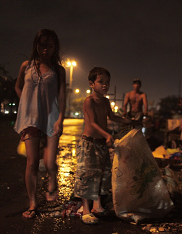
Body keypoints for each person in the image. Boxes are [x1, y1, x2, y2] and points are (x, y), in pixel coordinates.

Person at [14, 29, 66, 219]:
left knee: (50, 160)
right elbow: (18, 86)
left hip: (52, 116)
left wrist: (61, 118)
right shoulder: (26, 66)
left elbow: (62, 95)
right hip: (30, 119)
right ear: (36, 45)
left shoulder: (59, 70)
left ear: (55, 47)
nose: (45, 49)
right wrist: (25, 103)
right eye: (42, 45)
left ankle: (53, 178)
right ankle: (33, 203)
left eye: (50, 46)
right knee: (32, 162)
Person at [74, 67, 134, 225]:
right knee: (88, 176)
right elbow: (92, 123)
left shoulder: (106, 101)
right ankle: (86, 210)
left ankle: (97, 206)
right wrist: (108, 135)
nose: (105, 85)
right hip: (89, 143)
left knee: (104, 175)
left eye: (107, 82)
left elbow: (112, 116)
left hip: (101, 145)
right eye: (101, 82)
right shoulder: (89, 101)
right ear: (91, 84)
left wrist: (127, 121)